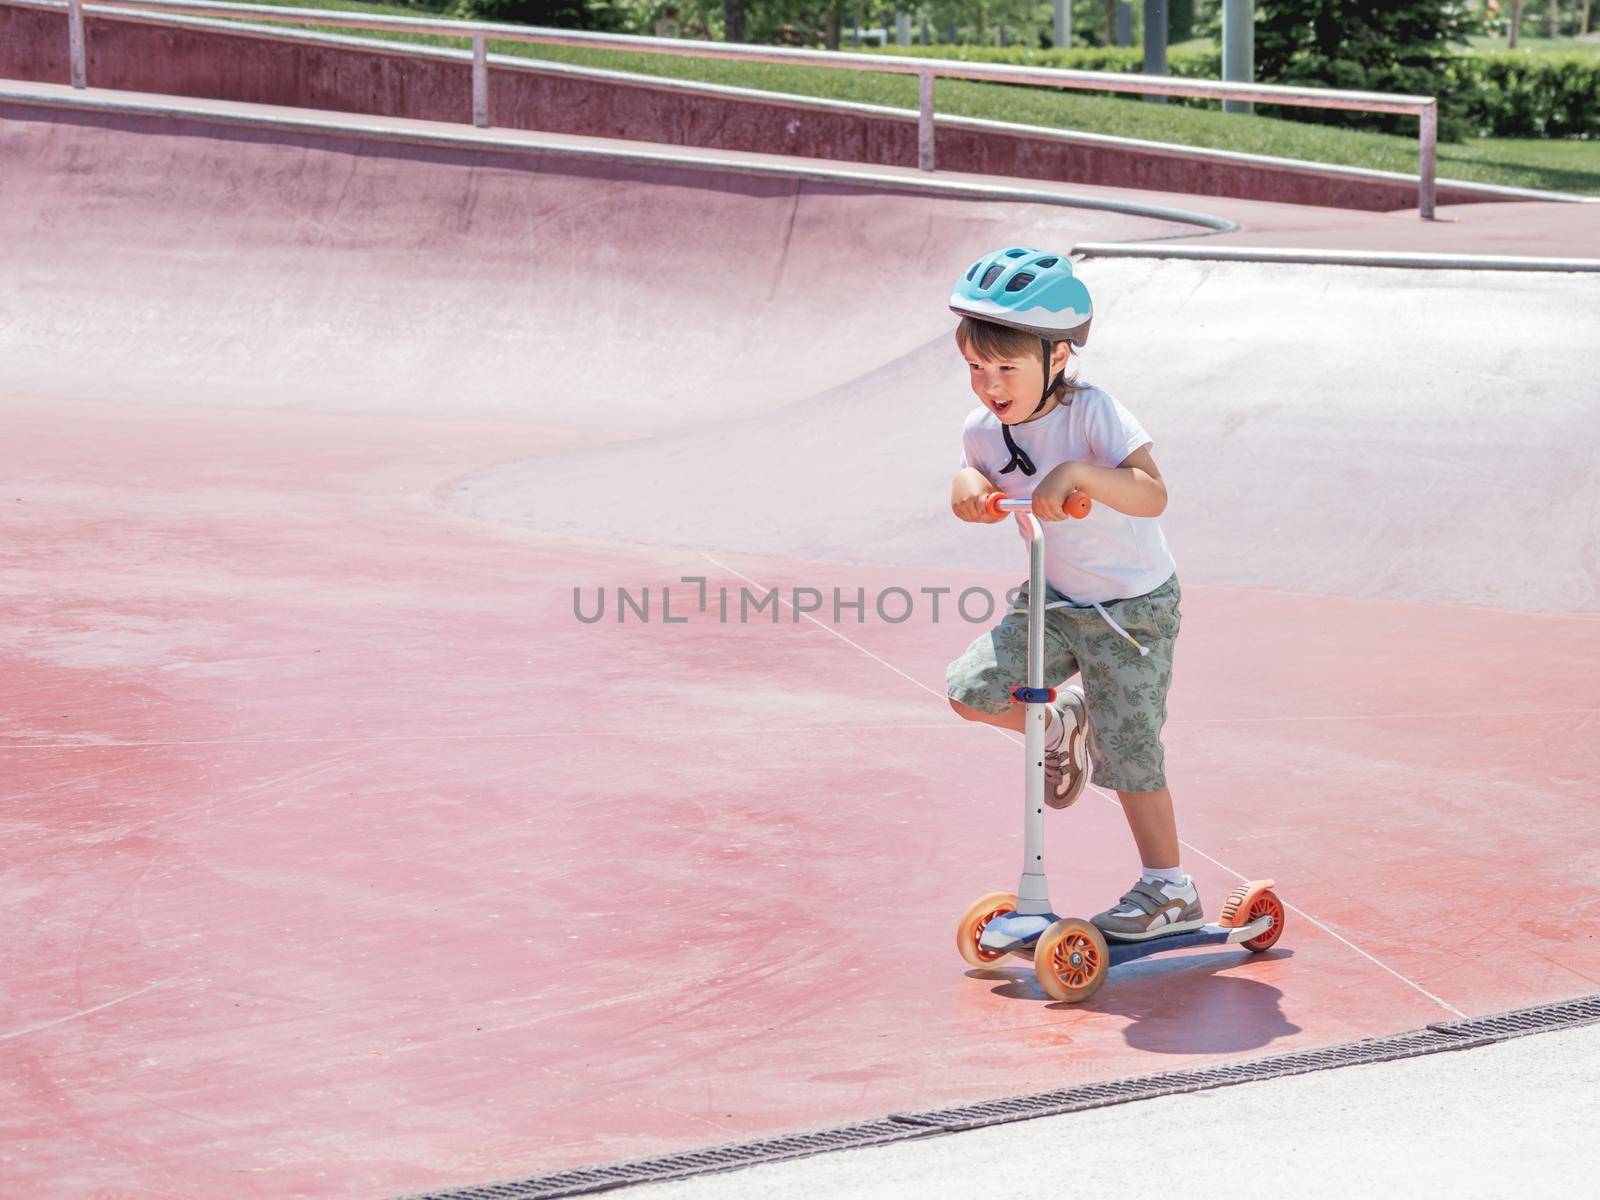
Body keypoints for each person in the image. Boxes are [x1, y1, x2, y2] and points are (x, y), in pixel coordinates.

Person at [943, 247, 1200, 946]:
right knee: (972, 690)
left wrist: (1083, 474)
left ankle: (1170, 888)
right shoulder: (981, 430)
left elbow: (1152, 494)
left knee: (1129, 751)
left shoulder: (1096, 417)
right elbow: (976, 477)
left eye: (1006, 368)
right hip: (1053, 598)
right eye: (975, 368)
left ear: (1057, 358)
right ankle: (1059, 722)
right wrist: (967, 489)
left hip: (1132, 609)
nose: (989, 386)